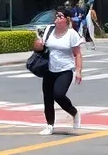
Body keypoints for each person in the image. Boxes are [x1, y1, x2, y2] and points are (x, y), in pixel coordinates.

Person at [33, 7, 83, 135]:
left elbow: (77, 54)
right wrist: (38, 44)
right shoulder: (49, 30)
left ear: (66, 19)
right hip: (49, 69)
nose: (56, 18)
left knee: (59, 95)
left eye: (59, 16)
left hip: (65, 69)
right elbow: (39, 47)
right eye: (56, 15)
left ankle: (74, 113)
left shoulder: (72, 34)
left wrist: (78, 71)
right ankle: (50, 125)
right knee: (47, 98)